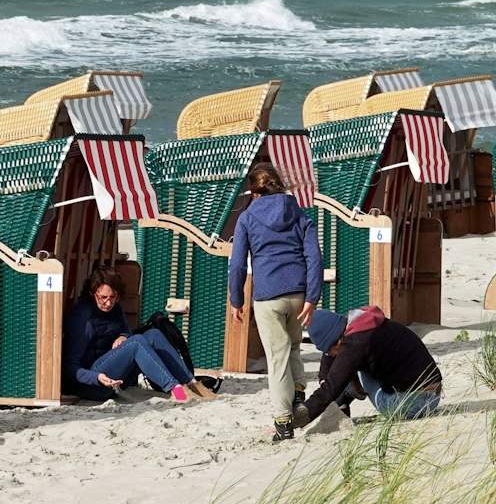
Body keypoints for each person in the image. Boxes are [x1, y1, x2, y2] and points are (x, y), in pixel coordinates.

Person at [227, 163, 322, 441]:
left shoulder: (246, 218)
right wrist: (312, 297)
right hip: (298, 293)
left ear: (254, 193)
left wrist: (237, 299)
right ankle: (298, 399)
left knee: (277, 358)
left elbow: (237, 265)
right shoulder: (299, 213)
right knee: (293, 348)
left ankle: (283, 424)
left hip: (268, 295)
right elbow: (314, 257)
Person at [62, 268, 215, 404]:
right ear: (92, 293)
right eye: (103, 297)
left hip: (118, 377)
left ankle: (192, 383)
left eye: (113, 297)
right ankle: (176, 390)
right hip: (93, 384)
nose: (108, 303)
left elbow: (128, 331)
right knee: (136, 342)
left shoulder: (115, 308)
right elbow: (70, 367)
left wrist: (123, 335)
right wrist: (96, 378)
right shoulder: (83, 318)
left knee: (153, 334)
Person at [292, 305, 442, 432]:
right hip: (432, 398)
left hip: (407, 405)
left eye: (330, 350)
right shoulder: (364, 324)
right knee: (344, 371)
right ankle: (341, 407)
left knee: (349, 374)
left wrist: (294, 421)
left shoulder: (356, 344)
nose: (330, 355)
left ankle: (340, 408)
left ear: (336, 340)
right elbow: (330, 358)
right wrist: (323, 378)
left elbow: (331, 387)